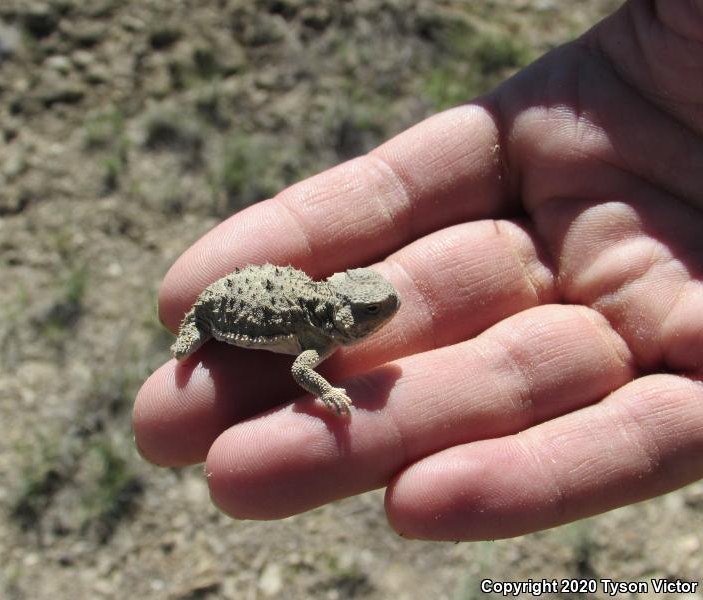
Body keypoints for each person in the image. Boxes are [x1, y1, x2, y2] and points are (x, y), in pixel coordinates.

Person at [133, 0, 703, 540]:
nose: (386, 312)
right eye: (371, 312)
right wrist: (328, 392)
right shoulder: (312, 340)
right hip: (218, 311)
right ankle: (195, 328)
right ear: (343, 314)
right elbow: (303, 370)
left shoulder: (327, 317)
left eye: (377, 305)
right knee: (186, 354)